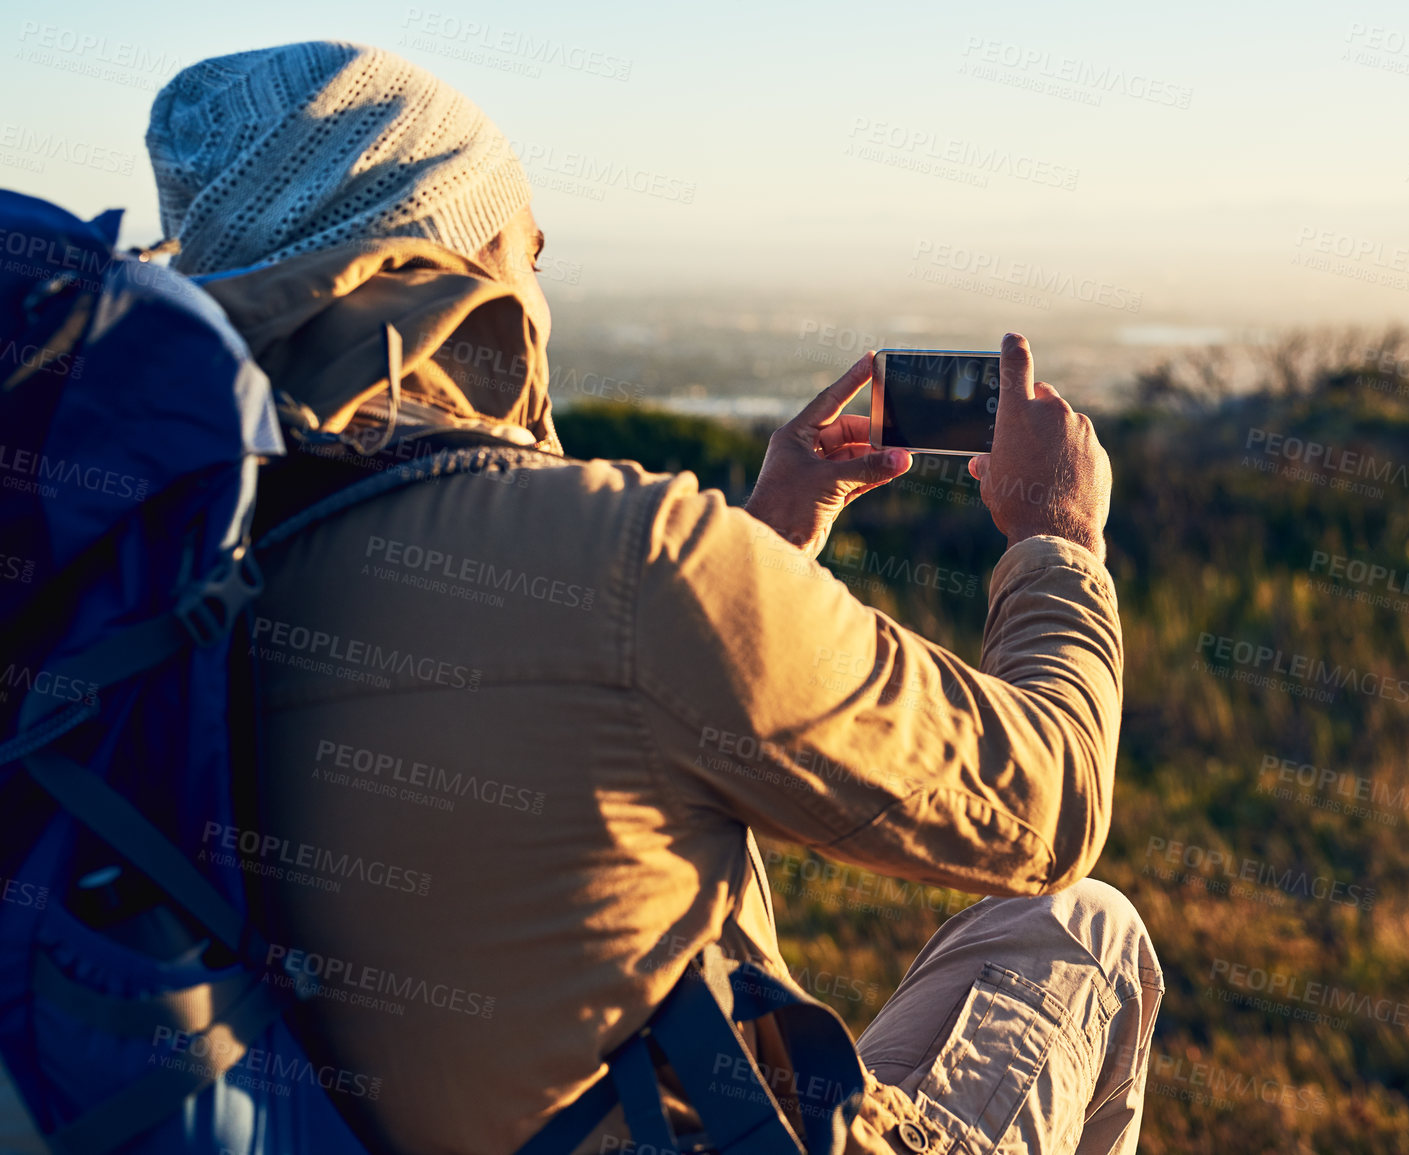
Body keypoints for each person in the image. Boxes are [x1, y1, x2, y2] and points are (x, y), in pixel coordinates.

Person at [145, 40, 1163, 1155]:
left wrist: (766, 544)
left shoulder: (170, 570)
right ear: (474, 256)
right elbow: (1041, 807)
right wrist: (1060, 539)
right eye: (531, 248)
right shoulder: (632, 556)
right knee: (1079, 926)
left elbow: (578, 733)